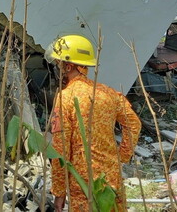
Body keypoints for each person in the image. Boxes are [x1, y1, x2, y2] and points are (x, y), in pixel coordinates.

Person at [47, 35, 141, 212]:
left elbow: (61, 150)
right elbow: (133, 124)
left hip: (84, 184)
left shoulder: (65, 98)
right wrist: (122, 156)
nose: (57, 69)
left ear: (68, 66)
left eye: (58, 64)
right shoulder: (108, 93)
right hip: (112, 180)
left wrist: (59, 192)